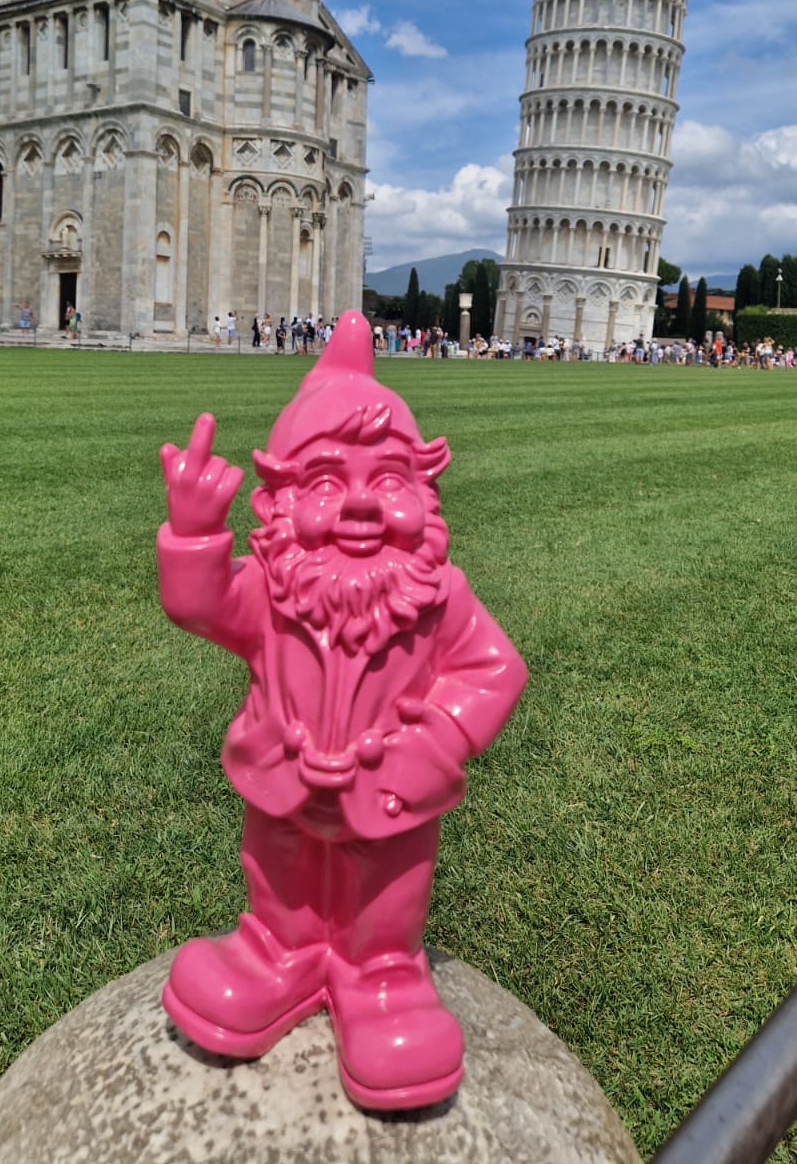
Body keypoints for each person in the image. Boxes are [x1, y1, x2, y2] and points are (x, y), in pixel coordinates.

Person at [156, 314, 527, 1111]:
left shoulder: (437, 596)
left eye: (388, 481)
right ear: (281, 500)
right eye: (325, 484)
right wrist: (193, 533)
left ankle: (380, 976)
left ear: (424, 491)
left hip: (390, 794)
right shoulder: (272, 588)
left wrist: (431, 743)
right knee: (278, 869)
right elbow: (201, 605)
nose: (360, 504)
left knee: (385, 889)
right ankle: (277, 951)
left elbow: (494, 669)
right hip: (282, 780)